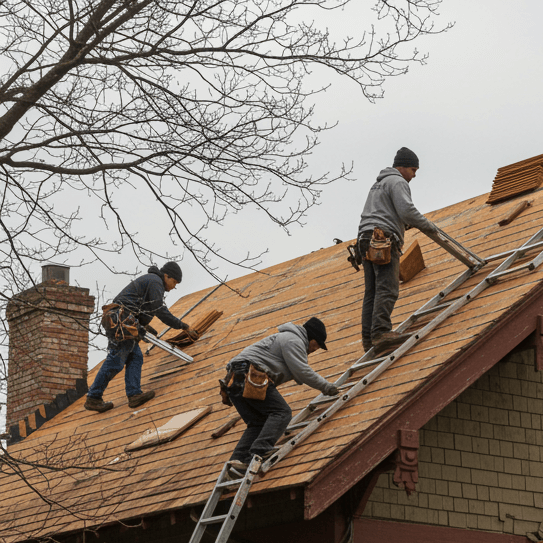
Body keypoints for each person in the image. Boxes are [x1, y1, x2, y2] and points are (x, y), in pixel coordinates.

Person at [222, 317, 339, 477]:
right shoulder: (294, 340)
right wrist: (327, 387)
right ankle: (257, 455)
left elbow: (297, 372)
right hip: (250, 375)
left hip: (235, 378)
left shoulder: (288, 340)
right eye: (317, 344)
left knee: (257, 423)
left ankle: (237, 464)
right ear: (311, 338)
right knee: (282, 413)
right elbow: (302, 371)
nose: (316, 349)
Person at [356, 147, 439, 355]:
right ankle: (381, 333)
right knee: (388, 287)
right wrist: (429, 226)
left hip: (366, 240)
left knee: (372, 292)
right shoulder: (397, 181)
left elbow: (387, 213)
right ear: (402, 167)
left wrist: (401, 223)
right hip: (383, 240)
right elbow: (407, 210)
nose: (414, 175)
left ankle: (369, 340)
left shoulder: (379, 184)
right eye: (413, 169)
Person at [85, 261, 198, 412]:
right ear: (166, 276)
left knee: (135, 357)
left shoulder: (152, 281)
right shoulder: (155, 282)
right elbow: (159, 309)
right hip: (122, 321)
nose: (174, 286)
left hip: (121, 320)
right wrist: (183, 326)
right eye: (174, 282)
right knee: (116, 360)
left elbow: (142, 307)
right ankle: (93, 397)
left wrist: (143, 326)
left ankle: (134, 395)